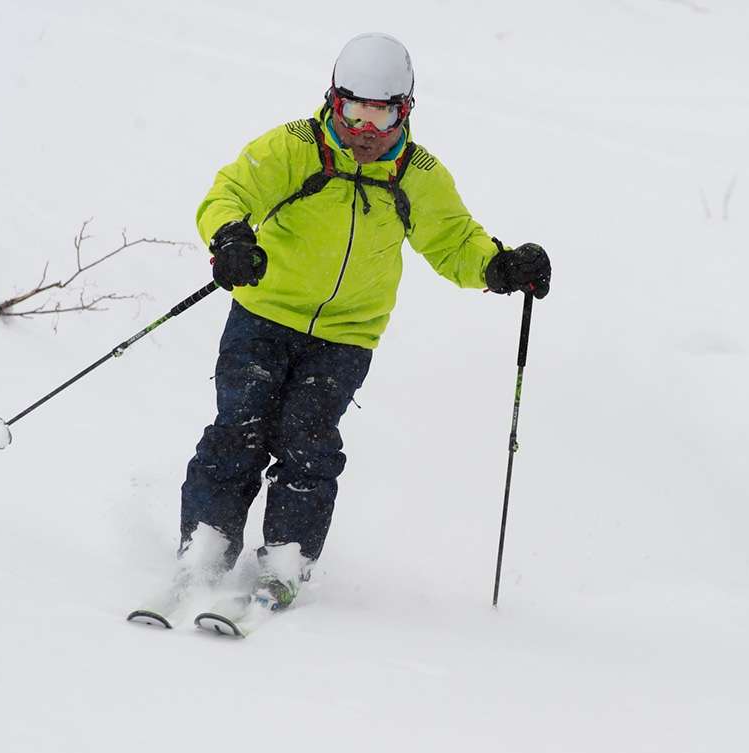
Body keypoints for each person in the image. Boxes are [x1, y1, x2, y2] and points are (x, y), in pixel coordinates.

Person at [179, 32, 551, 610]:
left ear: (405, 110)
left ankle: (286, 557)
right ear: (333, 100)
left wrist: (500, 266)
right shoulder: (292, 147)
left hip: (346, 335)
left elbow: (454, 242)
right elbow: (230, 192)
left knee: (308, 440)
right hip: (264, 313)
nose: (366, 130)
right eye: (354, 111)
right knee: (239, 428)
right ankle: (207, 546)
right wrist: (230, 237)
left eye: (382, 114)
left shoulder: (417, 174)